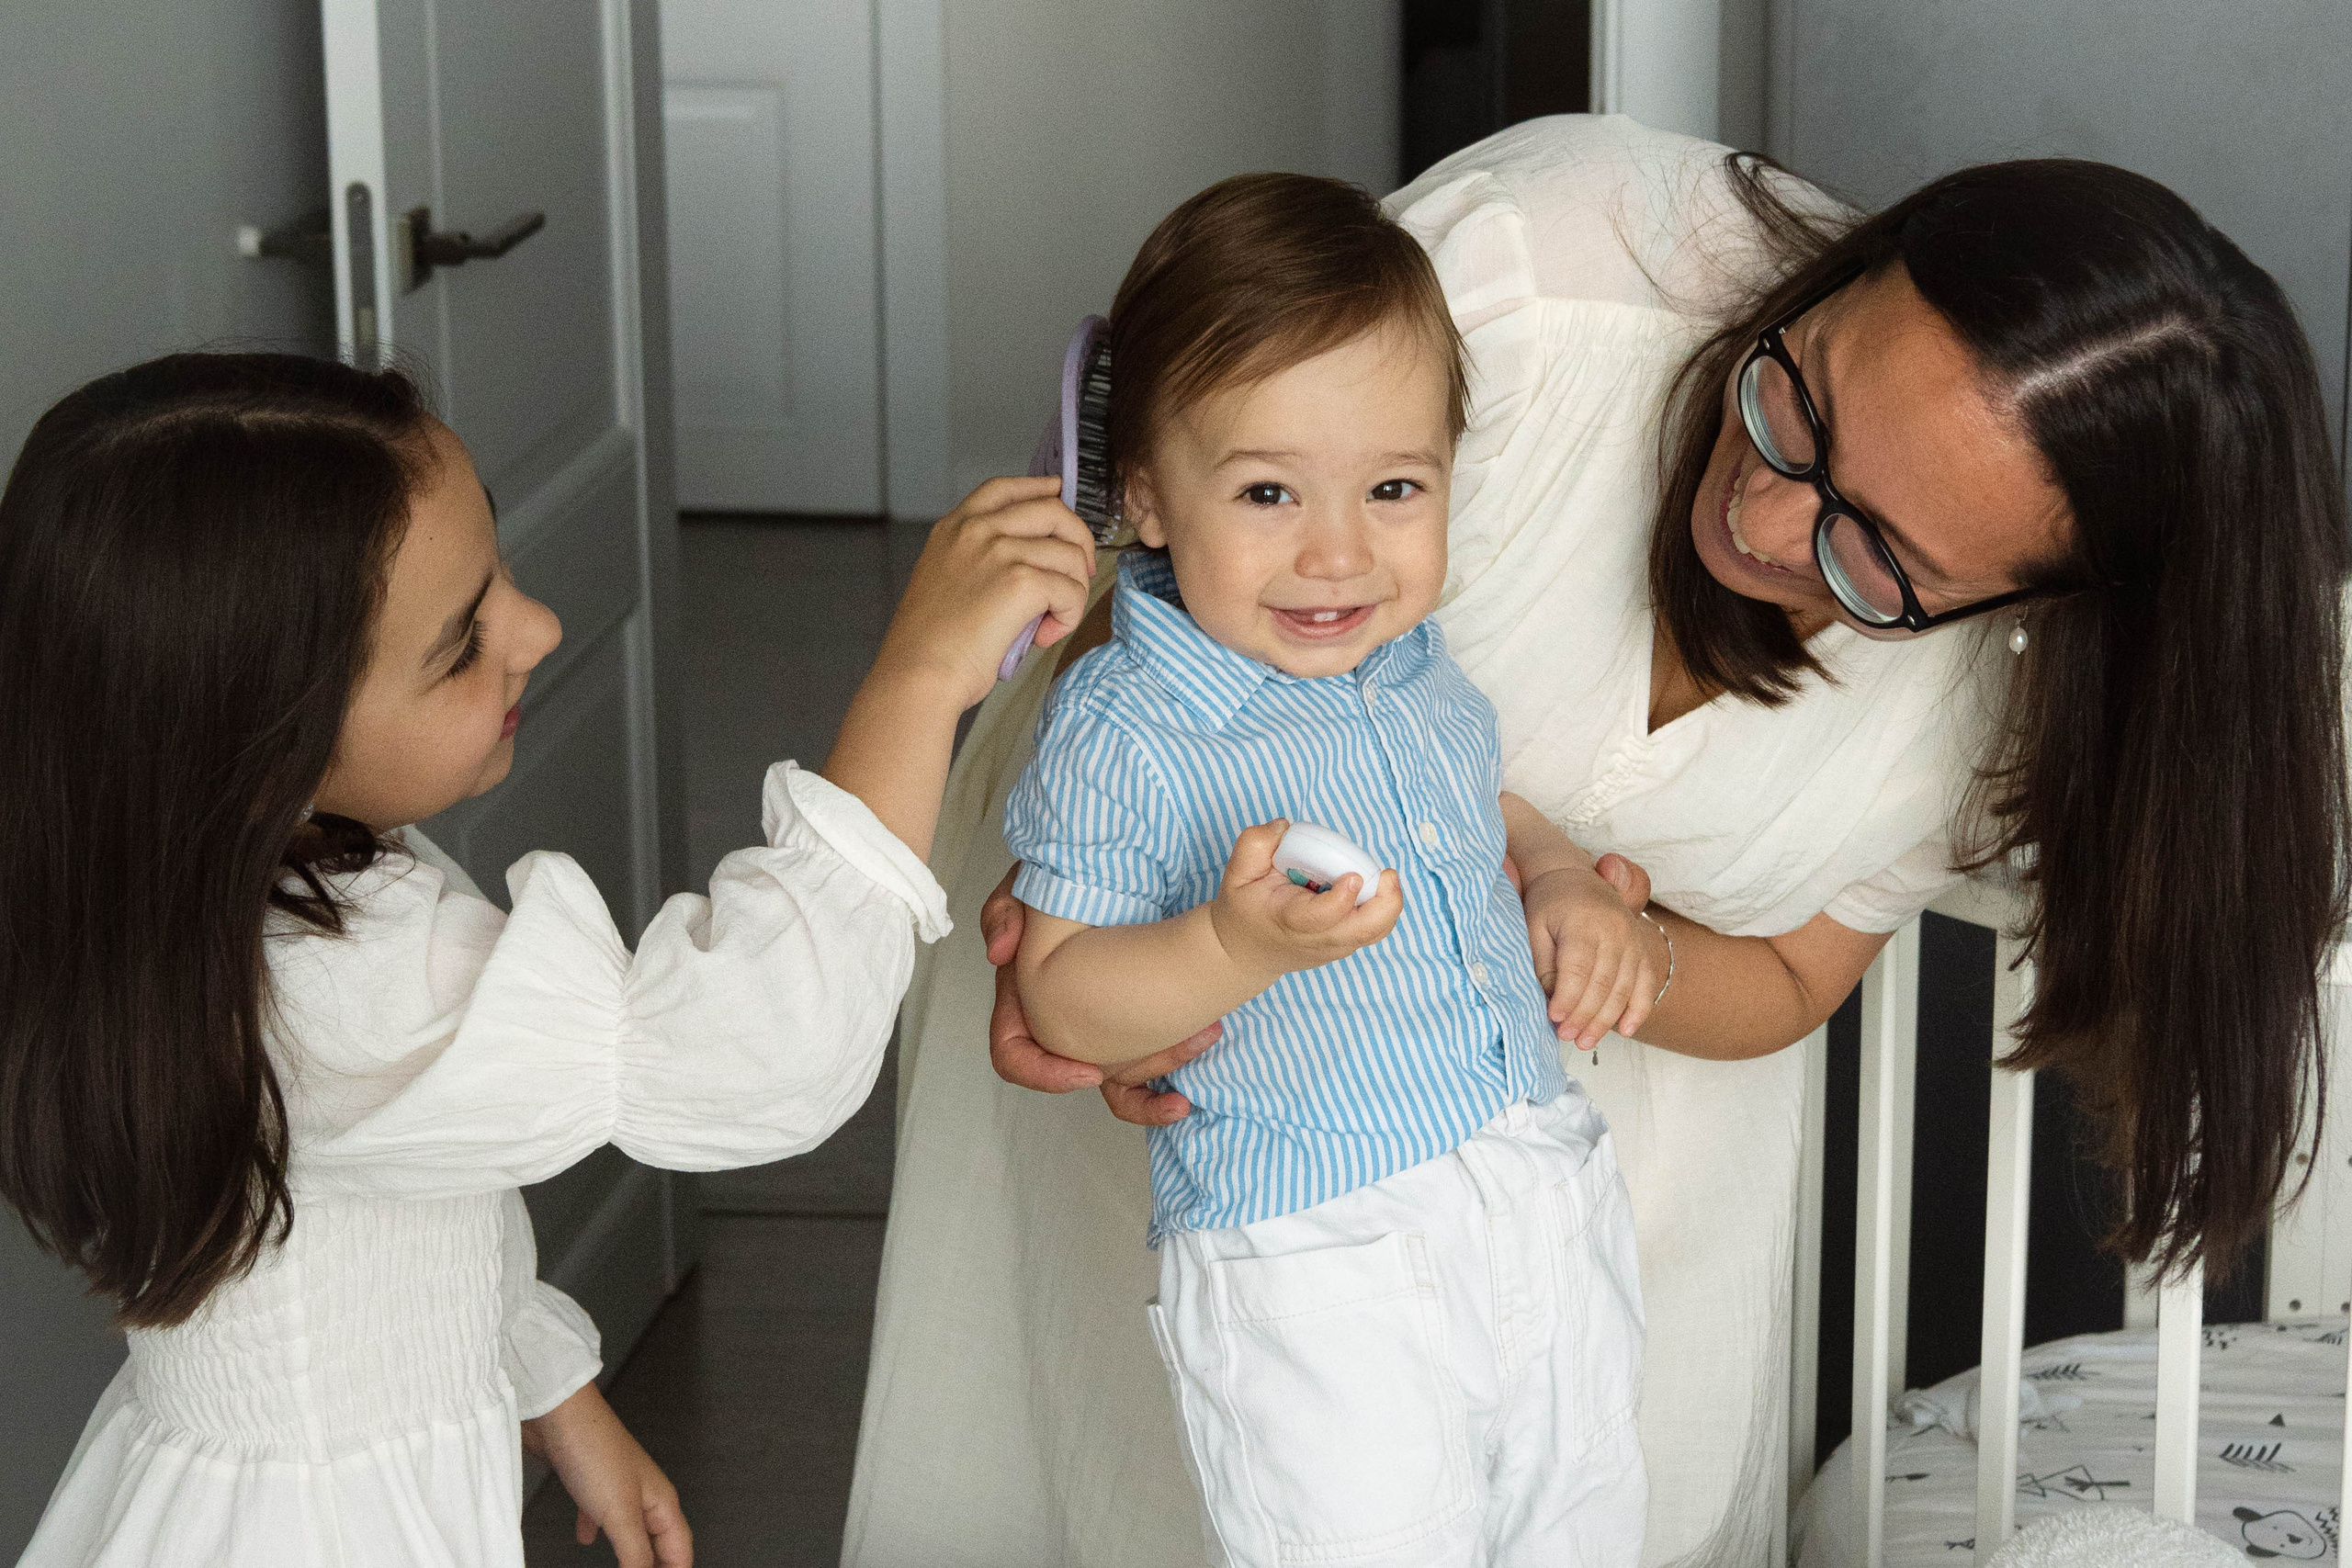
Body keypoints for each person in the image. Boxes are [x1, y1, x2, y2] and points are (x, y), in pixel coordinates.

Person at [845, 115, 2347, 1566]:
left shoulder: (2006, 713)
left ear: (2036, 610)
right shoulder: (1548, 271)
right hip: (1245, 1159)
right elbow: (1165, 590)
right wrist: (1115, 956)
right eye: (1795, 402)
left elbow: (1779, 974)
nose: (1761, 520)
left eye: (1873, 554)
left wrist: (1582, 931)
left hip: (1578, 1199)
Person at [0, 352, 1096, 1568]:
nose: (538, 627)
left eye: (498, 575)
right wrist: (920, 679)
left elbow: (402, 1206)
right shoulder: (358, 980)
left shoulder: (183, 906)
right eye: (463, 641)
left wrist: (549, 1387)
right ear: (264, 748)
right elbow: (755, 1060)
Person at [1002, 173, 1655, 1566]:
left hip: (1534, 1193)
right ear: (1151, 500)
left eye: (1395, 487)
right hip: (1319, 1238)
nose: (1339, 550)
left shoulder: (1412, 663)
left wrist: (1556, 877)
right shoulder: (1132, 719)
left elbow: (1482, 801)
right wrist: (1228, 951)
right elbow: (1059, 998)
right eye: (1268, 491)